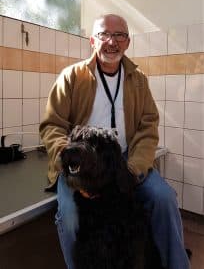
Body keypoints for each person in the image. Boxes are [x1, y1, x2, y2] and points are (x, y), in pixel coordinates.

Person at [39, 14, 190, 269]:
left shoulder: (139, 80)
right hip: (83, 165)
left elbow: (148, 126)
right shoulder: (71, 77)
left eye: (119, 35)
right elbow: (52, 124)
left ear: (128, 42)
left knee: (163, 199)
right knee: (70, 217)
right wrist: (69, 156)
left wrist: (135, 168)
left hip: (123, 161)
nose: (111, 41)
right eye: (103, 35)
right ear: (92, 40)